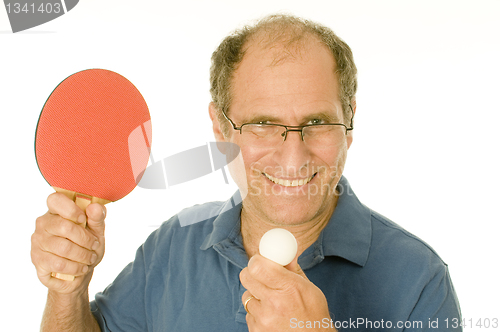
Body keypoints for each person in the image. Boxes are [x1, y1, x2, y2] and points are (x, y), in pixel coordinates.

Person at [31, 14, 462, 331]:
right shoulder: (169, 251)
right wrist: (67, 293)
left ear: (349, 121)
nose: (293, 159)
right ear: (220, 129)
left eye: (316, 123)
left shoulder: (420, 283)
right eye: (261, 124)